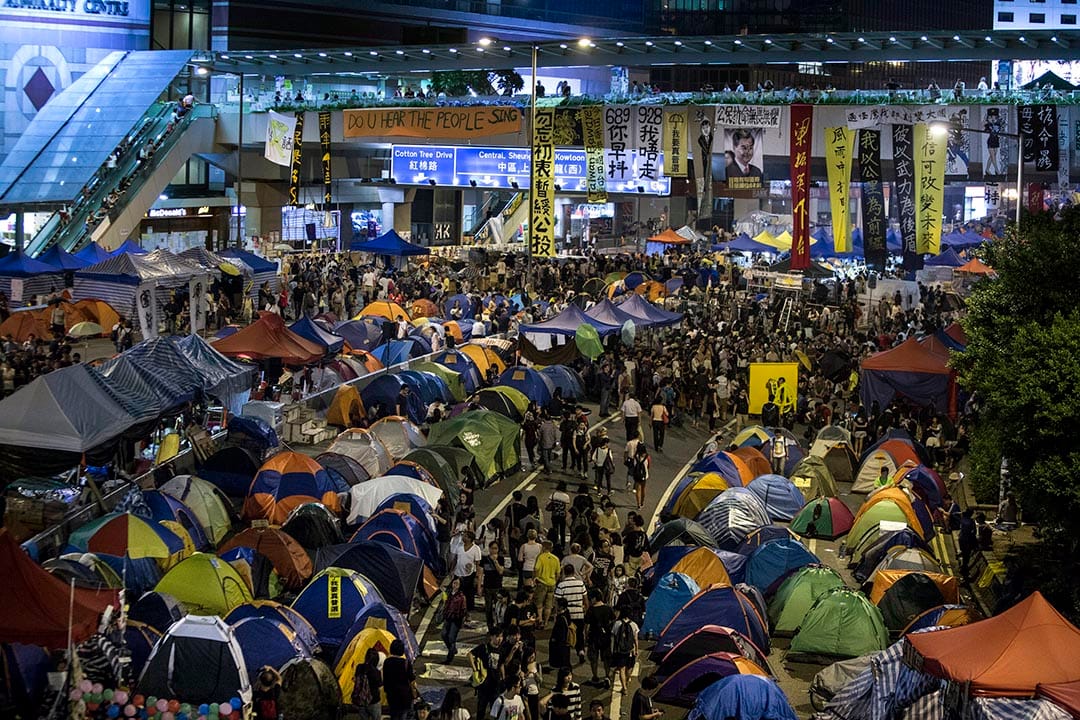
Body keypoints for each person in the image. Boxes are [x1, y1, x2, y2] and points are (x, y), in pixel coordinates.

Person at [554, 565, 589, 663]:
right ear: (574, 572)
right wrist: (586, 610)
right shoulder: (580, 583)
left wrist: (557, 614)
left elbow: (557, 601)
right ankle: (581, 651)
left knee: (566, 635)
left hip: (567, 615)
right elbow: (585, 599)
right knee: (579, 634)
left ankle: (566, 656)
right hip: (579, 613)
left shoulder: (561, 585)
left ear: (564, 572)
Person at [471, 628, 505, 720]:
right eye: (497, 636)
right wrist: (475, 669)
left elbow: (501, 664)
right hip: (484, 684)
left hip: (495, 684)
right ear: (491, 637)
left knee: (495, 709)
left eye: (501, 636)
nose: (500, 639)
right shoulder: (484, 648)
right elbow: (470, 654)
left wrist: (503, 678)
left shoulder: (501, 649)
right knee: (481, 708)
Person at [584, 589, 615, 688]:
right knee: (606, 658)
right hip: (605, 637)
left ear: (594, 598)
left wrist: (585, 637)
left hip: (594, 636)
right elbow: (613, 620)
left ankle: (595, 676)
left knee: (594, 658)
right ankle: (607, 675)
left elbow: (587, 626)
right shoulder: (608, 608)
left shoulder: (591, 610)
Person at [383, 639, 417, 720]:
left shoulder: (387, 662)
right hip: (404, 696)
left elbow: (385, 677)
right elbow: (412, 680)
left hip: (391, 695)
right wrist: (414, 692)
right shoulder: (406, 663)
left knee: (394, 714)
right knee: (404, 715)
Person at [452, 530, 482, 612]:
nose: (463, 537)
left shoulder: (476, 549)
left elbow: (478, 564)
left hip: (469, 575)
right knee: (456, 593)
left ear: (469, 538)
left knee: (468, 594)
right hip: (458, 574)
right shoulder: (459, 546)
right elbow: (455, 559)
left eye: (465, 536)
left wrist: (478, 577)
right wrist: (452, 570)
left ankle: (467, 611)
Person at [610, 608, 639, 693]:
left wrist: (613, 649)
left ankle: (624, 687)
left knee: (621, 669)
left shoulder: (617, 624)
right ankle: (627, 680)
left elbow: (614, 637)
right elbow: (635, 639)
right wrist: (636, 649)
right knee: (629, 667)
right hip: (630, 650)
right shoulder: (634, 624)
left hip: (620, 650)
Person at [482, 540, 508, 631]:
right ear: (489, 549)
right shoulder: (484, 559)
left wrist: (495, 561)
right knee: (488, 608)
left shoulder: (500, 559)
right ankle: (490, 626)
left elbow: (500, 571)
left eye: (495, 548)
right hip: (487, 586)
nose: (494, 550)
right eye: (492, 548)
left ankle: (498, 626)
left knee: (498, 608)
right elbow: (481, 573)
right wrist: (479, 586)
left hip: (497, 586)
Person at [442, 577, 469, 663]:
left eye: (457, 584)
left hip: (456, 619)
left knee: (451, 638)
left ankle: (449, 657)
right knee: (443, 634)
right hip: (448, 617)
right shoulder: (449, 593)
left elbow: (464, 609)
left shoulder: (461, 597)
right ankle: (452, 649)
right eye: (454, 583)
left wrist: (463, 619)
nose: (455, 585)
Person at [534, 540, 561, 626]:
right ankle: (546, 622)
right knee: (549, 605)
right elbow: (558, 573)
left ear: (544, 547)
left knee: (539, 603)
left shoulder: (541, 557)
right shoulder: (556, 558)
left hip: (542, 583)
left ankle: (540, 620)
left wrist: (535, 577)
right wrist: (555, 581)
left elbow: (536, 568)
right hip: (552, 584)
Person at [547, 482, 571, 548]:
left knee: (555, 530)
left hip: (554, 515)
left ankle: (554, 543)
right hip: (562, 516)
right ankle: (562, 545)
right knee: (562, 531)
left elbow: (548, 504)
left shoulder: (553, 494)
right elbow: (566, 508)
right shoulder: (566, 496)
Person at [958, 508, 977, 581]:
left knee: (964, 553)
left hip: (961, 539)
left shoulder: (963, 519)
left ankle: (963, 567)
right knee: (967, 556)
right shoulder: (971, 522)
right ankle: (964, 569)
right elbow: (974, 532)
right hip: (967, 541)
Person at [629, 442, 650, 510]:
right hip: (644, 475)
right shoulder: (647, 457)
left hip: (637, 475)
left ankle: (638, 505)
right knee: (643, 489)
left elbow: (634, 465)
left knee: (638, 490)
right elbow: (649, 465)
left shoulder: (636, 457)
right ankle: (642, 503)